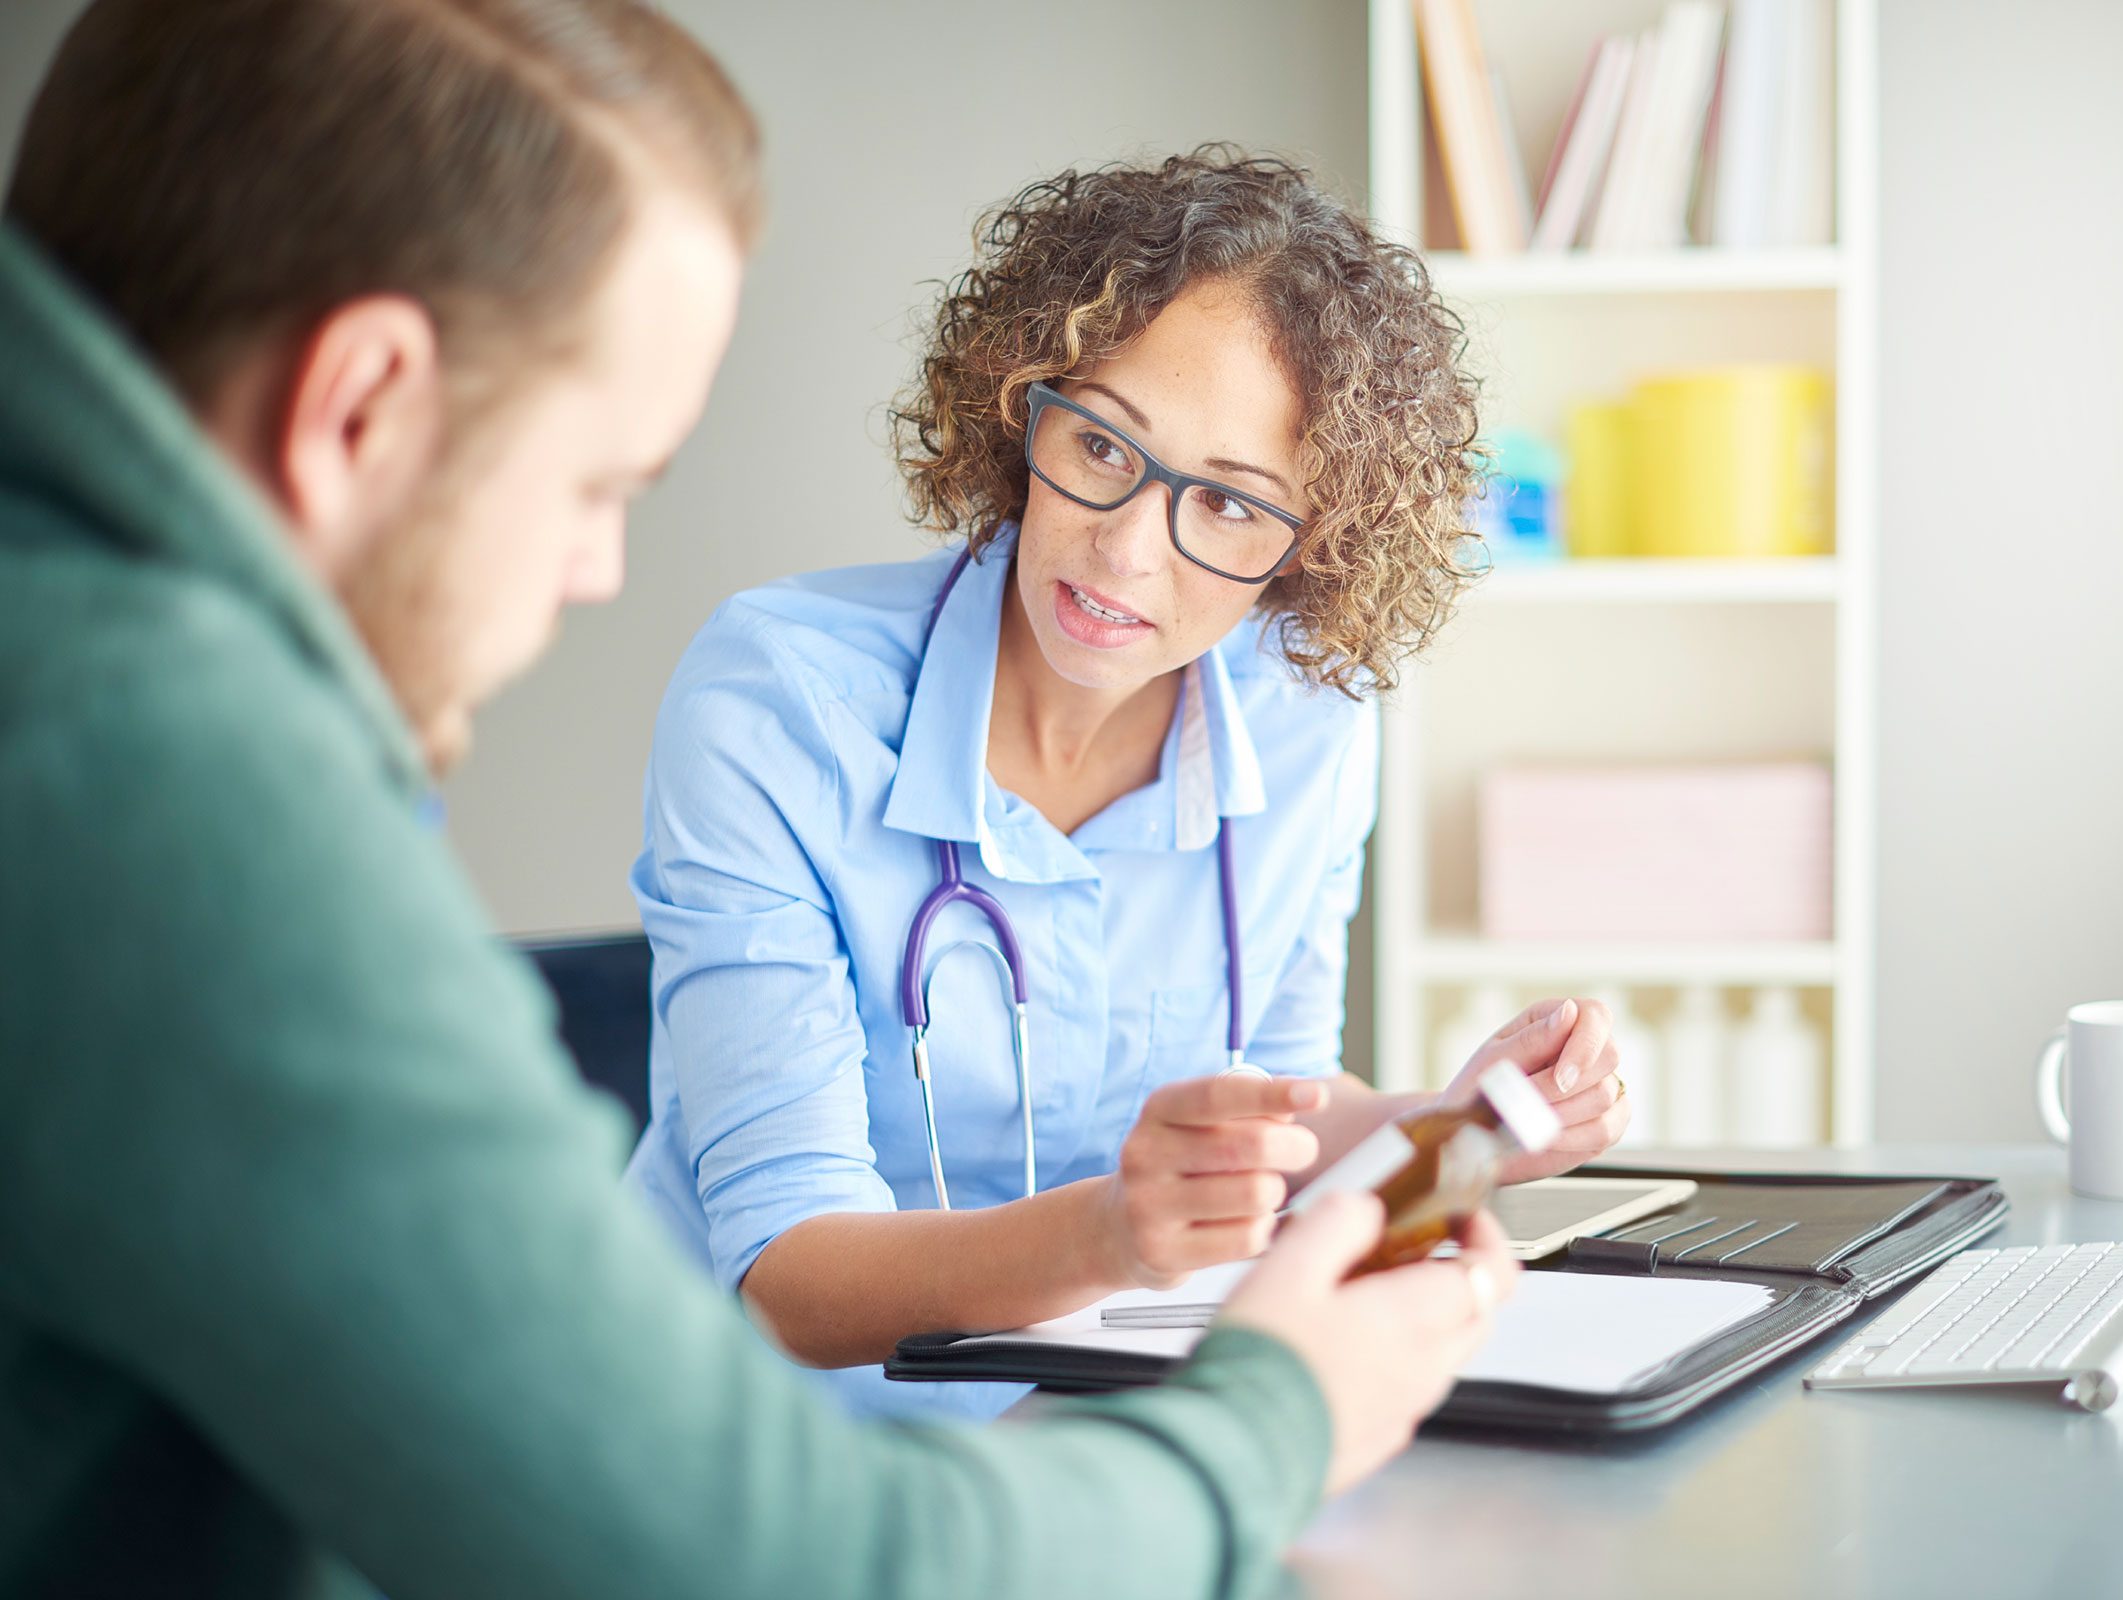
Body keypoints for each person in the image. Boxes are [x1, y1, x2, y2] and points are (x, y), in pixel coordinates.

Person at [0, 5, 1520, 1597]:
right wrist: (1274, 1413)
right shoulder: (162, 792)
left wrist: (1432, 1130)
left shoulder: (101, 681)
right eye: (599, 487)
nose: (597, 573)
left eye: (1224, 505)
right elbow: (786, 1550)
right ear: (359, 408)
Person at [625, 150, 1633, 1418]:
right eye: (1102, 443)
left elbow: (1272, 1124)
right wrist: (1117, 1230)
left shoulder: (1309, 721)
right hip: (753, 1438)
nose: (1123, 547)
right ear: (1017, 402)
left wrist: (1458, 1121)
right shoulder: (780, 700)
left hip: (1098, 1417)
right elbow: (786, 1280)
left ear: (1312, 548)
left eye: (1226, 504)